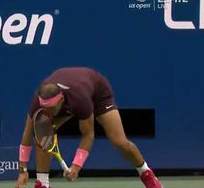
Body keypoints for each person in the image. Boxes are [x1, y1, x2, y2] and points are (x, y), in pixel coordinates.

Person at [15, 67, 163, 188]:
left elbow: (88, 135)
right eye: (44, 109)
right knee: (42, 131)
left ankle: (146, 173)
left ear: (61, 100)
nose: (46, 113)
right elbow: (27, 135)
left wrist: (76, 166)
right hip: (70, 99)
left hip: (98, 92)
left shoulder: (80, 100)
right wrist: (23, 170)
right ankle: (42, 183)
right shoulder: (38, 103)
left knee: (119, 141)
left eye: (51, 109)